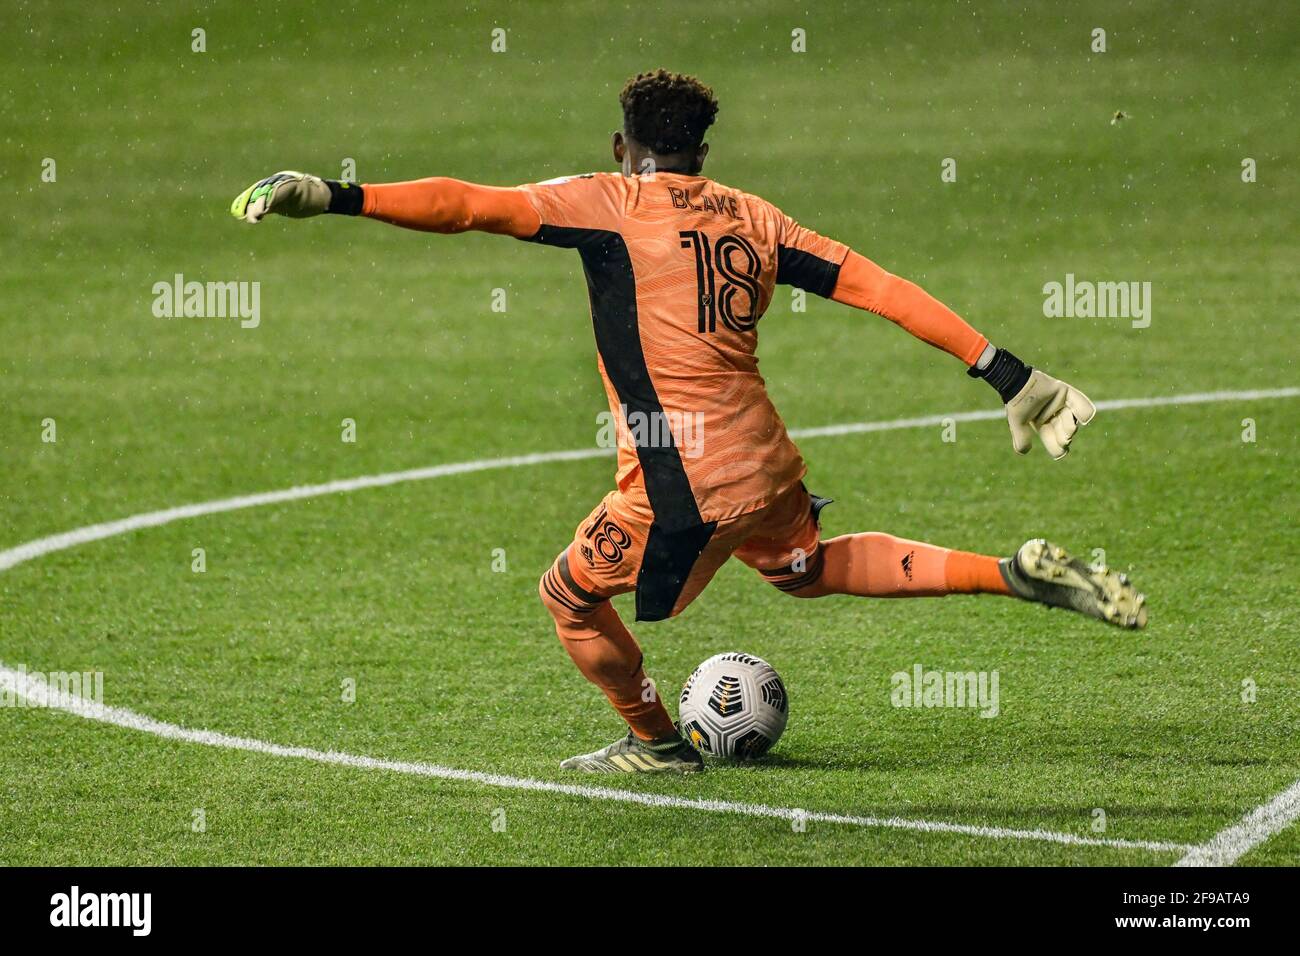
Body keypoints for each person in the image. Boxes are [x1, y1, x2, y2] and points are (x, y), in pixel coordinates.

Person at [231, 69, 1146, 775]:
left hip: (682, 479)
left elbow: (468, 205)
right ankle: (1007, 574)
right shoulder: (757, 217)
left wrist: (335, 195)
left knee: (567, 595)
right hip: (764, 460)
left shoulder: (606, 202)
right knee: (804, 566)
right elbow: (880, 288)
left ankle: (659, 746)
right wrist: (1007, 373)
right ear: (702, 150)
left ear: (624, 146)